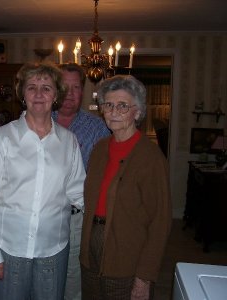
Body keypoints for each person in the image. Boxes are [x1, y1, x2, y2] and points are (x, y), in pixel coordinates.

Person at [0, 62, 86, 300]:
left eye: (46, 88)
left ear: (56, 95)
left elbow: (78, 190)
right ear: (22, 95)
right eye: (32, 87)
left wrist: (110, 212)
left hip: (54, 249)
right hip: (10, 248)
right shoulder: (2, 138)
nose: (39, 94)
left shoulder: (68, 141)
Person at [80, 75, 172, 300]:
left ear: (137, 112)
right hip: (90, 254)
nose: (113, 112)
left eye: (122, 106)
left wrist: (144, 277)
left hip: (126, 258)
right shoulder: (100, 148)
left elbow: (160, 222)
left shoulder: (151, 158)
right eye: (108, 105)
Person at [52, 63, 110, 300]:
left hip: (78, 216)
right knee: (46, 276)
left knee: (73, 277)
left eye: (76, 87)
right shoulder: (39, 121)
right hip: (44, 215)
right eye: (64, 87)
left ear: (83, 91)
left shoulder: (98, 128)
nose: (70, 94)